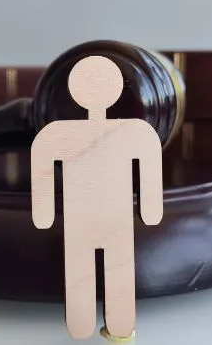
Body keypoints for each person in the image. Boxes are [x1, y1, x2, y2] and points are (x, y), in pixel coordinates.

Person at [30, 55, 163, 340]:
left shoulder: (59, 133)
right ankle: (99, 325)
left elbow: (41, 163)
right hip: (98, 220)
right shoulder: (135, 132)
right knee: (105, 268)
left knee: (99, 269)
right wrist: (151, 210)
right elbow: (150, 166)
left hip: (100, 220)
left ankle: (99, 325)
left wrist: (44, 214)